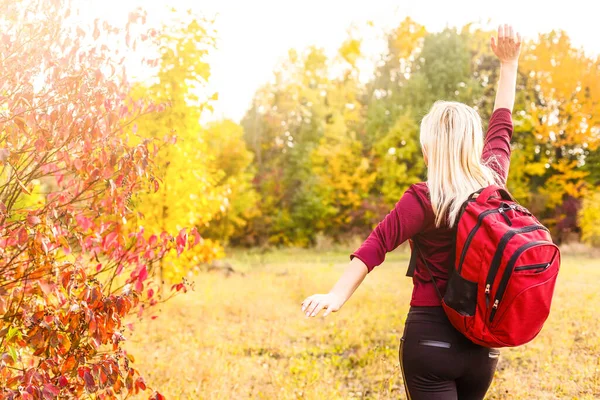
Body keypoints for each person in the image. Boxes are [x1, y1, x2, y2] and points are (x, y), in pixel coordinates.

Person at [301, 24, 521, 400]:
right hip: (484, 346)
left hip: (431, 341)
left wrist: (336, 296)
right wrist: (509, 63)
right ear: (472, 143)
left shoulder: (424, 198)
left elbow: (377, 244)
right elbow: (502, 124)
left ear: (429, 148)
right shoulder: (494, 183)